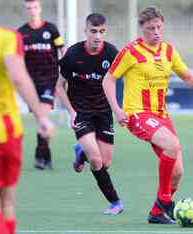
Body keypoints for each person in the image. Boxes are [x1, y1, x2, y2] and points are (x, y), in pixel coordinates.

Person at [103, 6, 193, 224]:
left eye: (159, 27)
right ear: (142, 28)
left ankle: (156, 212)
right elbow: (108, 80)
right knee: (172, 145)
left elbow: (186, 75)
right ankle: (164, 201)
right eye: (151, 28)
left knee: (178, 172)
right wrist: (117, 109)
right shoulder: (130, 52)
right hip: (137, 114)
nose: (156, 32)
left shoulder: (168, 51)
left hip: (161, 116)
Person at [0, 0, 55, 233]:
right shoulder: (8, 37)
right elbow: (18, 77)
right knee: (7, 200)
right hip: (6, 130)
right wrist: (42, 117)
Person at [56, 13, 123, 215]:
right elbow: (59, 86)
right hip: (81, 112)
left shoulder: (112, 54)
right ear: (86, 31)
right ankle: (115, 202)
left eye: (101, 31)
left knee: (106, 162)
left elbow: (122, 81)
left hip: (103, 112)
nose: (97, 36)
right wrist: (71, 112)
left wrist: (119, 109)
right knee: (96, 161)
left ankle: (80, 153)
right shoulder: (73, 55)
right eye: (93, 31)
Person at [17, 0, 66, 170]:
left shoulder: (51, 29)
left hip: (49, 79)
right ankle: (45, 153)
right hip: (31, 82)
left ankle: (40, 153)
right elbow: (17, 58)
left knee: (43, 115)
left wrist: (66, 69)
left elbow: (62, 49)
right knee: (41, 120)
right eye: (29, 8)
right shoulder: (21, 33)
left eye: (35, 7)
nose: (32, 11)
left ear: (40, 8)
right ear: (26, 9)